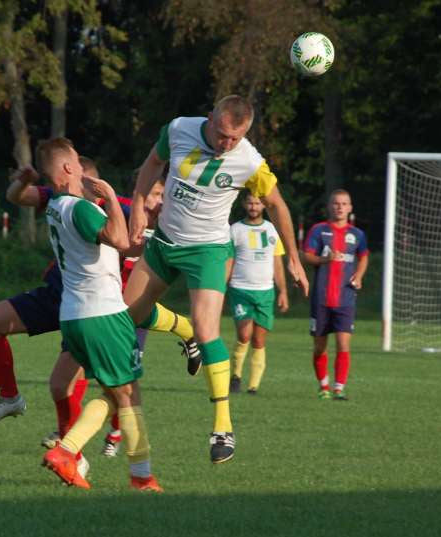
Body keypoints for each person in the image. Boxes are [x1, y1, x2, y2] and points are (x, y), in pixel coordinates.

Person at [126, 95, 309, 463]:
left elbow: (277, 205)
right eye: (222, 134)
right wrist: (138, 209)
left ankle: (223, 428)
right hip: (164, 242)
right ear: (209, 117)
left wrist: (294, 258)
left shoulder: (251, 162)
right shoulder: (179, 128)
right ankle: (183, 330)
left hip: (208, 251)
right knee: (123, 317)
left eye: (234, 138)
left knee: (209, 330)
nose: (226, 144)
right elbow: (153, 163)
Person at [0, 157, 194, 463]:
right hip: (58, 296)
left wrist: (163, 221)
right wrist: (23, 179)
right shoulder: (61, 197)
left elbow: (132, 239)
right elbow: (16, 197)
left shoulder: (118, 205)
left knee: (75, 383)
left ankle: (77, 448)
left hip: (92, 304)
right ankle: (12, 400)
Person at [38, 137, 162, 492]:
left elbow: (116, 244)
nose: (82, 164)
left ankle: (138, 475)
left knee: (119, 390)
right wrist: (108, 195)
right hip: (102, 312)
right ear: (67, 168)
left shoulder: (56, 207)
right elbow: (120, 242)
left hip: (74, 314)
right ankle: (77, 454)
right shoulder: (81, 208)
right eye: (77, 159)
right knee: (124, 393)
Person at [302, 189, 368, 400]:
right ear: (329, 206)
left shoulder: (357, 235)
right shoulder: (319, 230)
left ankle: (339, 388)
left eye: (344, 203)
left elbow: (364, 257)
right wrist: (325, 259)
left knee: (343, 344)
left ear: (350, 208)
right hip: (321, 298)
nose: (339, 207)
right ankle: (323, 387)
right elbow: (307, 256)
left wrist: (358, 274)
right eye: (336, 203)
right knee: (320, 346)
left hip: (346, 298)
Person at [227, 192, 289, 395]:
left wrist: (283, 291)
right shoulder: (235, 230)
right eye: (250, 203)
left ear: (263, 205)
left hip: (265, 291)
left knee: (259, 341)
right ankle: (235, 376)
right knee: (244, 335)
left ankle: (253, 387)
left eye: (257, 203)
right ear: (244, 204)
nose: (254, 207)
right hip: (240, 289)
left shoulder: (272, 229)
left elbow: (277, 263)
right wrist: (221, 286)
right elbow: (229, 261)